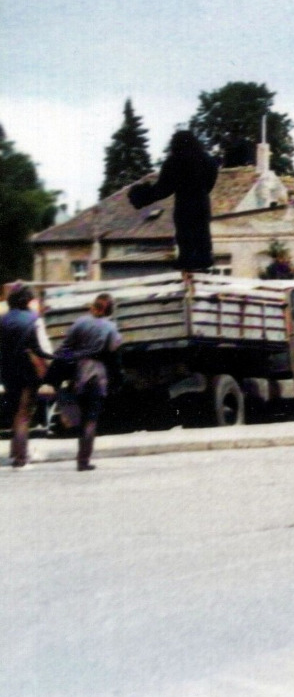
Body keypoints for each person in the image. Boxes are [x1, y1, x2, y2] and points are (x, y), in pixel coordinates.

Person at [127, 131, 220, 275]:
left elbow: (163, 188)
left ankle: (186, 259)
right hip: (201, 201)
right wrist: (202, 191)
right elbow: (211, 181)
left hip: (184, 202)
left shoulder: (174, 161)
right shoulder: (208, 160)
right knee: (201, 231)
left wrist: (143, 197)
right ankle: (203, 258)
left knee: (184, 232)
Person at [53, 293, 123, 471]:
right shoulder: (111, 328)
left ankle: (81, 457)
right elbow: (114, 354)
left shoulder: (80, 322)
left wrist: (69, 362)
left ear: (94, 306)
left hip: (78, 374)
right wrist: (117, 378)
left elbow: (64, 350)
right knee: (91, 419)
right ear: (109, 310)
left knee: (81, 416)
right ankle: (83, 460)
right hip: (97, 375)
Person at [3, 283, 54, 467]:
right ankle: (21, 458)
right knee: (24, 414)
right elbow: (41, 349)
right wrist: (52, 360)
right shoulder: (34, 320)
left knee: (15, 411)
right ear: (26, 300)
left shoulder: (2, 320)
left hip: (7, 372)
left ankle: (14, 451)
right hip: (28, 371)